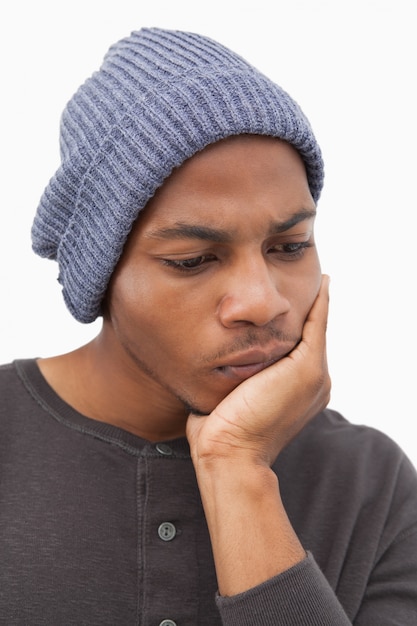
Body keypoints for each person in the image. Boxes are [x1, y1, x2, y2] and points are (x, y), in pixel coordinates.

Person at [0, 27, 416, 626]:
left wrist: (238, 470)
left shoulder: (370, 485)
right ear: (101, 269)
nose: (262, 301)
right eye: (192, 260)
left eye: (290, 246)